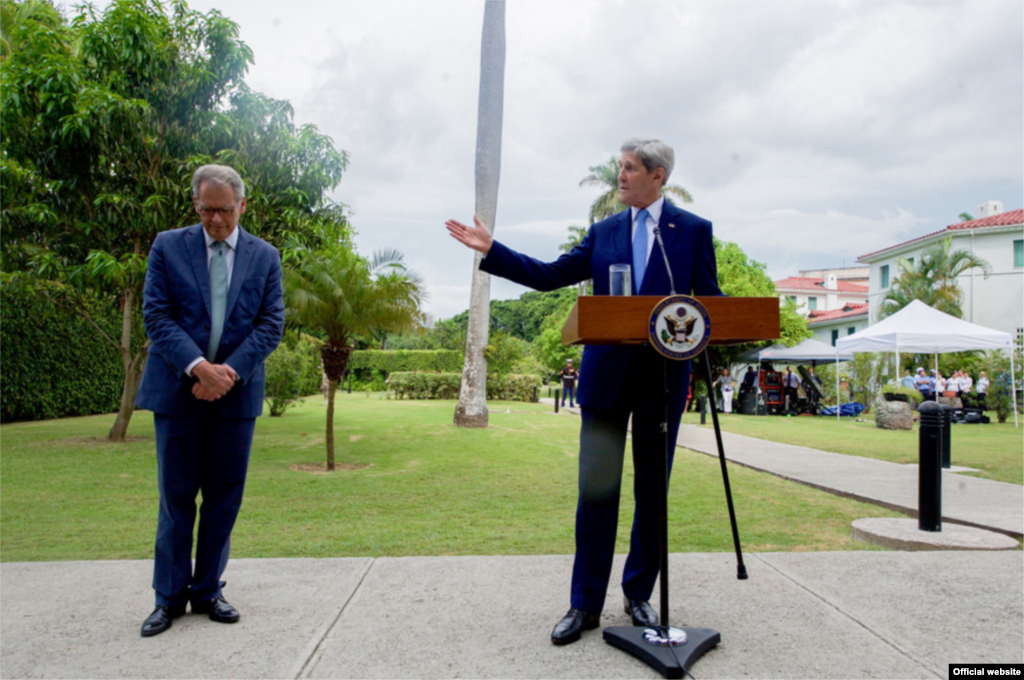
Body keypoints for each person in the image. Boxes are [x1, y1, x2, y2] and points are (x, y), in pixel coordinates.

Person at [446, 137, 723, 645]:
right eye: (619, 167)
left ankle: (639, 594)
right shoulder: (604, 231)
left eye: (630, 168)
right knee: (596, 496)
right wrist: (494, 251)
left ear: (657, 176)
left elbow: (711, 303)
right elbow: (551, 275)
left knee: (652, 495)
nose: (619, 176)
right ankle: (584, 605)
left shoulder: (692, 232)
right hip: (605, 380)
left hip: (663, 382)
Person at [135, 164, 285, 637]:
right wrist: (199, 367)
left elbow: (270, 324)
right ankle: (168, 599)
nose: (215, 220)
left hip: (235, 398)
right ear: (196, 205)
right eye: (206, 210)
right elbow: (156, 315)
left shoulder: (266, 256)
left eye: (224, 210)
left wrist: (228, 373)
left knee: (222, 499)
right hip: (178, 393)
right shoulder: (167, 245)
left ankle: (208, 592)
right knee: (176, 499)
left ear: (242, 206)